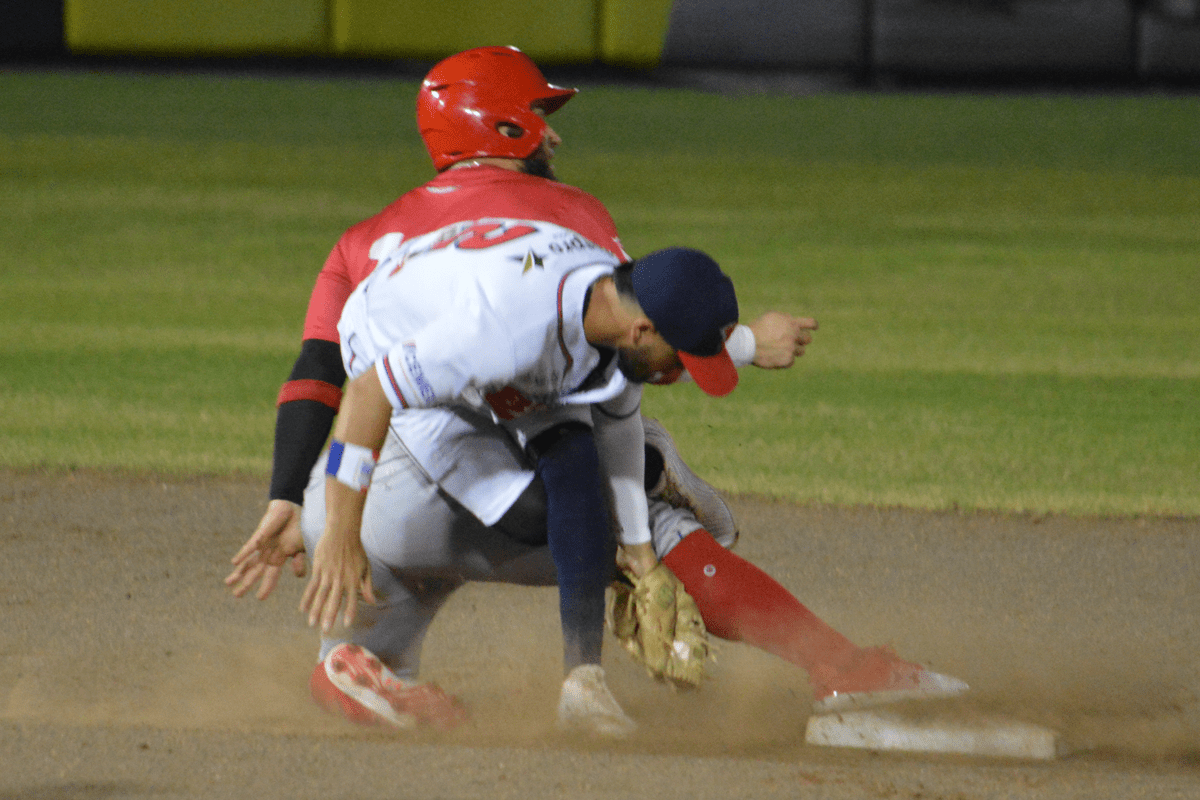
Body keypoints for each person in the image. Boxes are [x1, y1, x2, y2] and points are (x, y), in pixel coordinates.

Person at [226, 46, 965, 737]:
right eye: (541, 118)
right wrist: (643, 542)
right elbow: (630, 334)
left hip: (353, 488)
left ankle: (349, 667)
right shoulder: (571, 220)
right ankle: (843, 668)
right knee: (640, 510)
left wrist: (296, 503)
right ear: (506, 125)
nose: (552, 136)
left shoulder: (370, 237)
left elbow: (319, 371)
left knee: (550, 470)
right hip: (437, 468)